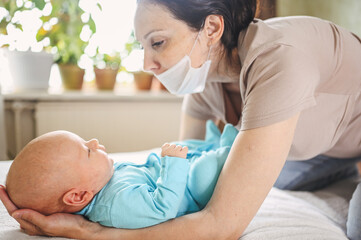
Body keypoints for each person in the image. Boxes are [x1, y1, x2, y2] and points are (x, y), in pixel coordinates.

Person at [1, 0, 361, 239]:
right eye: (142, 46)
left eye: (157, 43)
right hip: (322, 149)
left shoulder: (280, 60)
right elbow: (188, 181)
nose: (146, 64)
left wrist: (87, 231)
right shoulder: (203, 77)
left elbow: (221, 226)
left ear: (211, 29)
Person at [5, 121, 238, 229]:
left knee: (184, 145)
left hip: (172, 174)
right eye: (87, 150)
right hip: (189, 191)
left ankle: (211, 142)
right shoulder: (117, 207)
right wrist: (173, 164)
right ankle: (231, 145)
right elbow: (163, 208)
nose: (94, 141)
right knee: (205, 170)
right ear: (78, 196)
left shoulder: (101, 183)